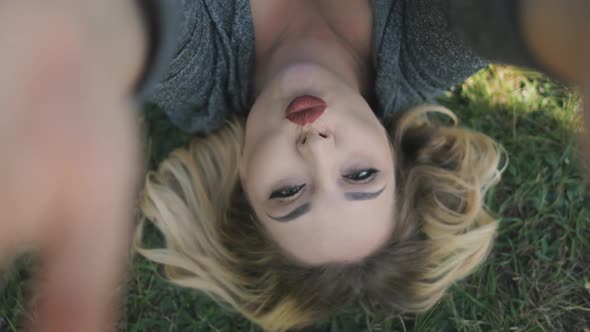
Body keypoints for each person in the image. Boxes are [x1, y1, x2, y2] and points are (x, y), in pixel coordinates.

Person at [0, 1, 588, 331]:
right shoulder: (422, 50)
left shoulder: (198, 70)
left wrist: (73, 38)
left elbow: (130, 24)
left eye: (287, 191)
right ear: (392, 149)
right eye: (360, 177)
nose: (316, 148)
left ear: (242, 185)